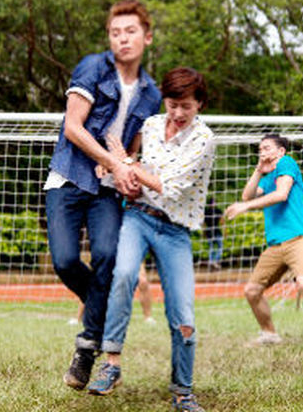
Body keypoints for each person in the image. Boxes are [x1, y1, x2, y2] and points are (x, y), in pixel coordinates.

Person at [44, 0, 162, 390]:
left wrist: (126, 168)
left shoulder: (151, 93)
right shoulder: (92, 67)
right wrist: (109, 160)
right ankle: (107, 308)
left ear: (146, 37)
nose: (122, 39)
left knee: (108, 256)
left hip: (107, 189)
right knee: (64, 261)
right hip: (69, 176)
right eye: (115, 32)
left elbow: (133, 149)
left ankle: (86, 348)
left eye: (130, 32)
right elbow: (73, 127)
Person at [87, 67, 215, 412]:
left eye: (186, 106)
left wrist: (125, 162)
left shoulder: (204, 139)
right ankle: (111, 364)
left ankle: (183, 391)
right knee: (124, 275)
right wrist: (121, 170)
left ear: (200, 104)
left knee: (183, 314)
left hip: (175, 230)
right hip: (138, 217)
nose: (178, 113)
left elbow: (167, 186)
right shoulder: (151, 126)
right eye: (172, 104)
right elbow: (133, 174)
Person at [224, 134, 303, 353]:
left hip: (299, 238)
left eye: (266, 148)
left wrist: (246, 207)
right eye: (260, 149)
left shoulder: (287, 163)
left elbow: (281, 194)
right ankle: (269, 334)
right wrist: (258, 170)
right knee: (252, 291)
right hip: (276, 245)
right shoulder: (267, 178)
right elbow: (247, 195)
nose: (262, 152)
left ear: (281, 151)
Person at [70, 262, 155, 325]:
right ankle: (78, 318)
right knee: (92, 281)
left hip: (127, 256)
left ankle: (148, 317)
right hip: (109, 254)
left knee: (143, 281)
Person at [204, 197, 224, 271]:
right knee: (220, 247)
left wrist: (204, 233)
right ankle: (215, 261)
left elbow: (204, 223)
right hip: (216, 231)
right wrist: (225, 231)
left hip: (209, 231)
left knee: (212, 248)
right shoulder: (218, 210)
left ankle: (211, 262)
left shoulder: (206, 211)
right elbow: (222, 222)